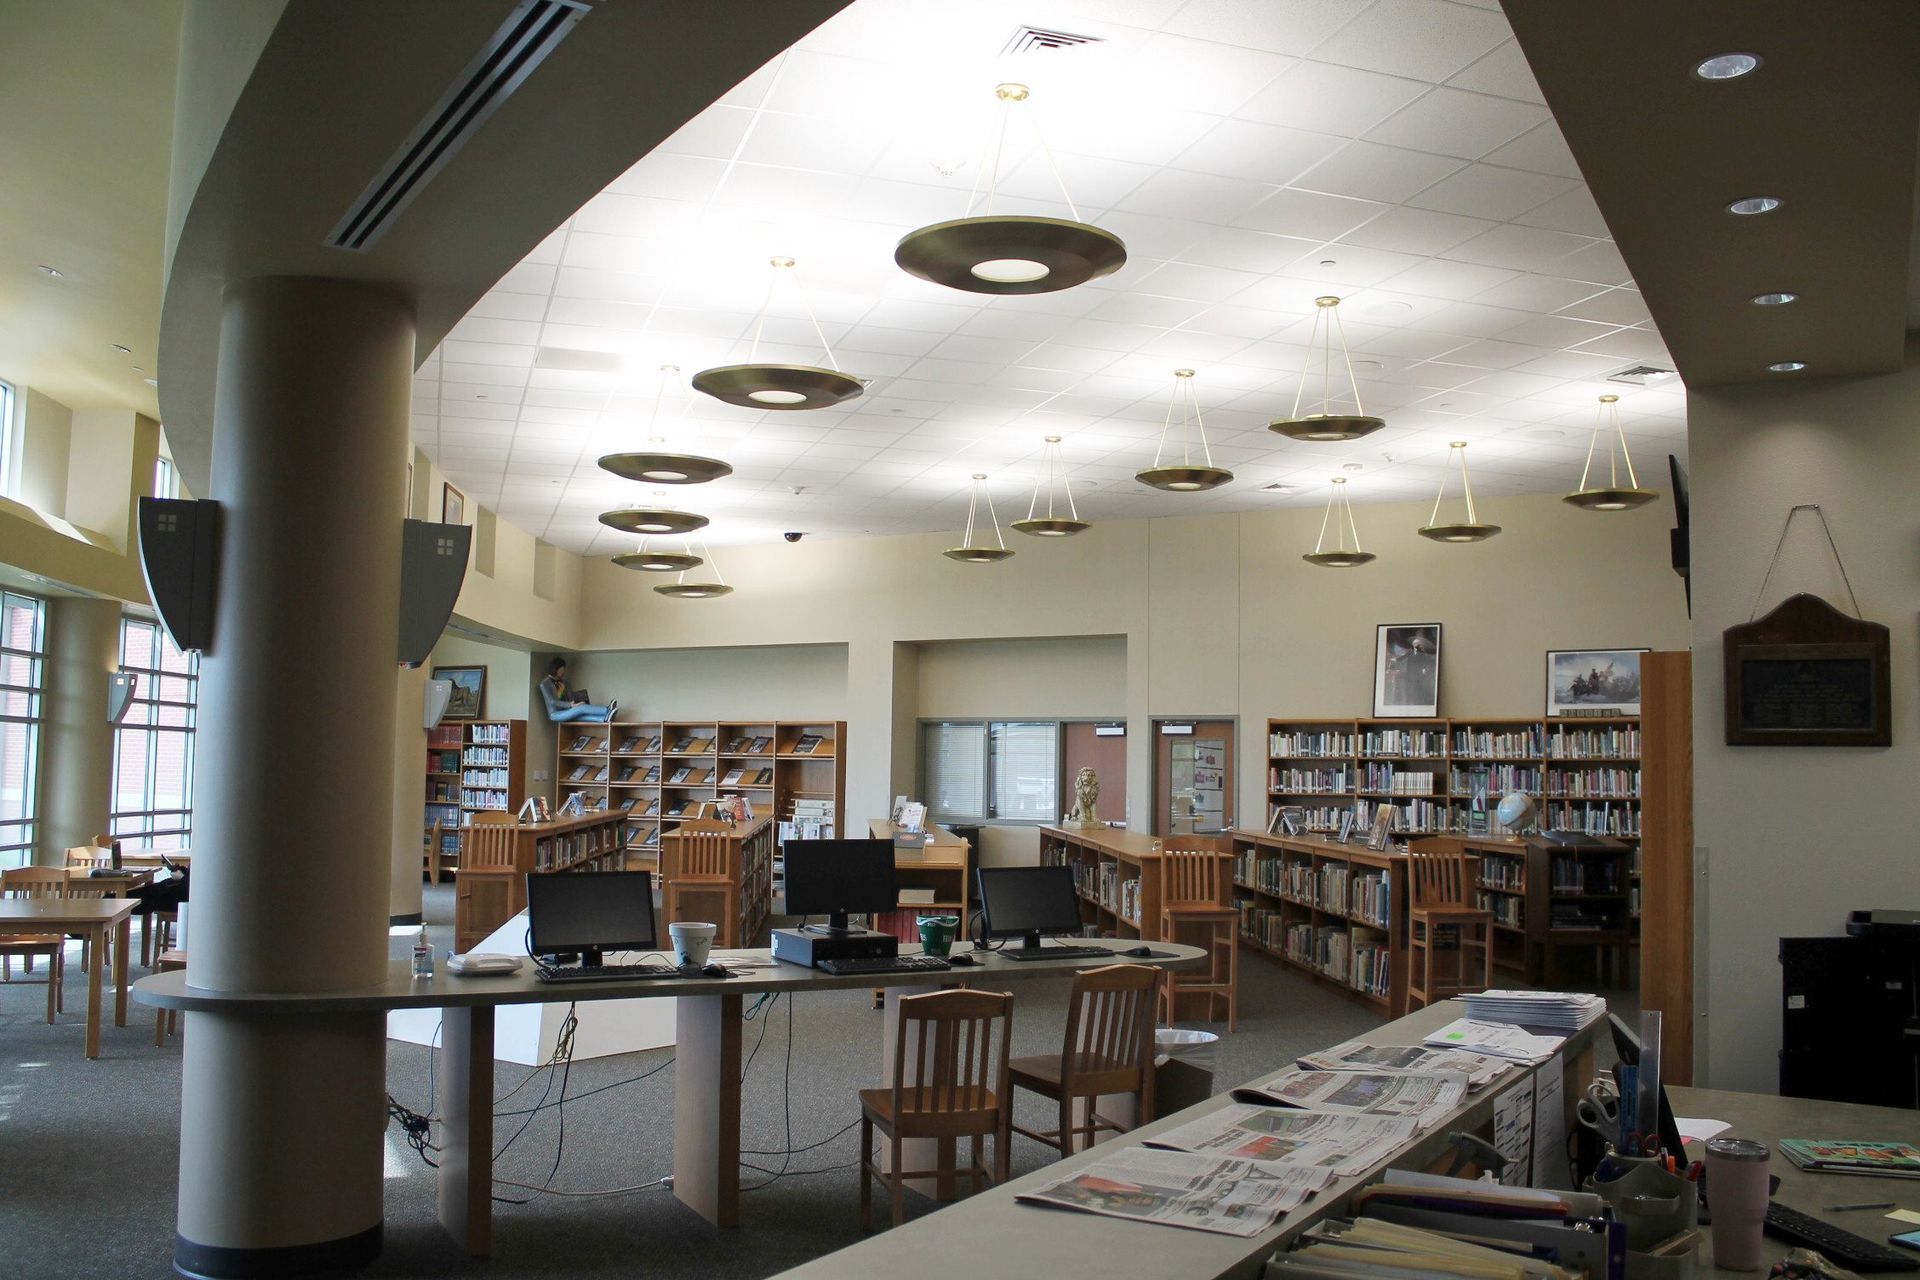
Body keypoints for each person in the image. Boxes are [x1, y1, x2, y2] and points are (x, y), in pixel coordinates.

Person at [539, 657, 618, 722]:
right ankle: (607, 710)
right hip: (556, 714)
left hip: (568, 710)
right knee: (582, 707)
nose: (563, 671)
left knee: (580, 714)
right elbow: (552, 701)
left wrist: (574, 701)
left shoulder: (564, 682)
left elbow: (570, 697)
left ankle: (604, 718)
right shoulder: (544, 683)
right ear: (556, 669)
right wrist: (571, 704)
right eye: (562, 669)